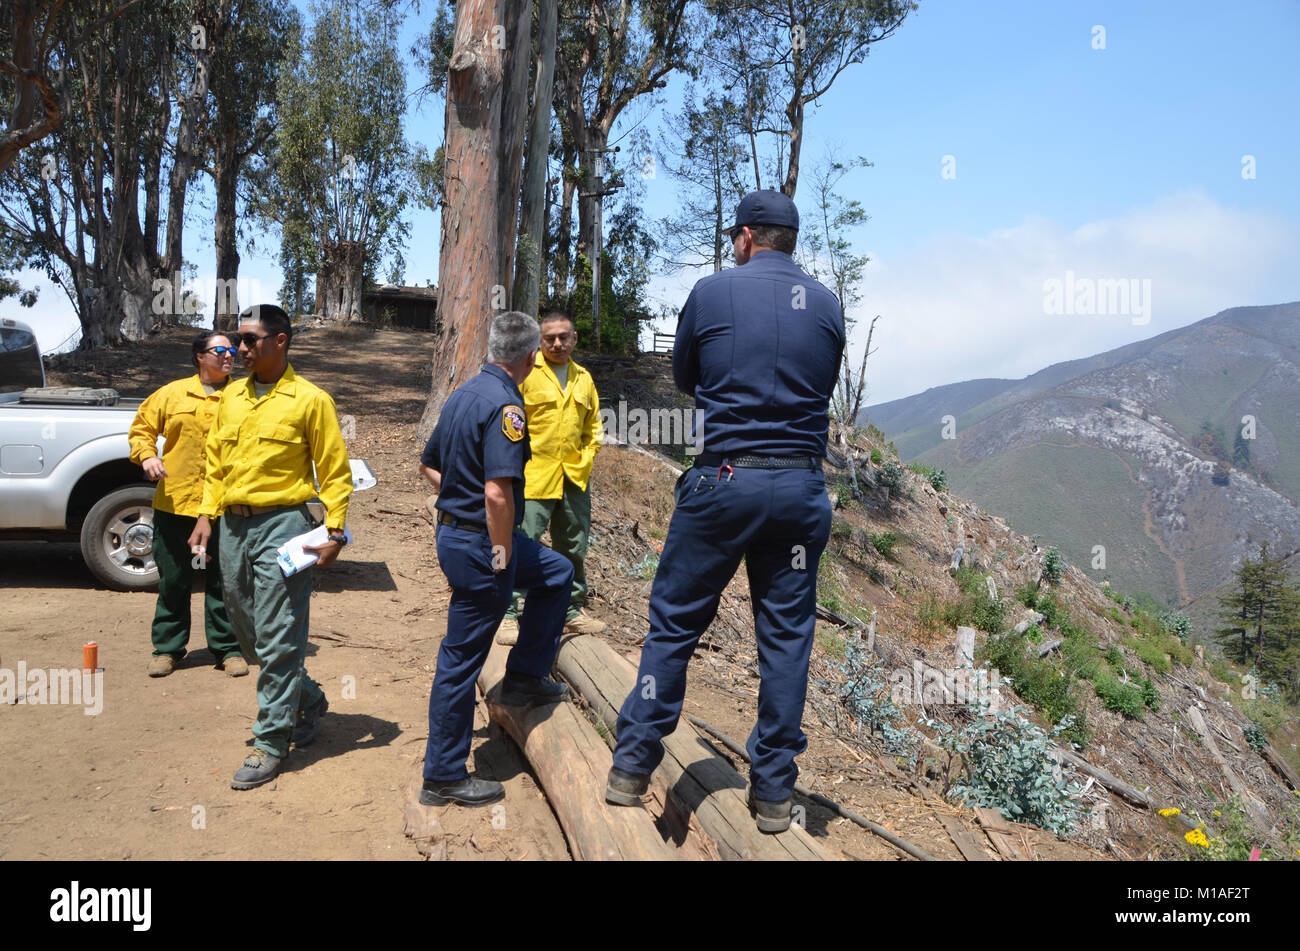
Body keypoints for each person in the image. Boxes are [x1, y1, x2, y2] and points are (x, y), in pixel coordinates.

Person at [604, 190, 845, 833]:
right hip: (798, 489)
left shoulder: (711, 295)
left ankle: (631, 768)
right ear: (789, 240)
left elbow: (687, 377)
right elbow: (820, 385)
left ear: (744, 238)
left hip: (723, 482)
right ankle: (771, 796)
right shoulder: (825, 305)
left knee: (675, 625)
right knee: (787, 640)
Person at [189, 304, 353, 790]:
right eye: (238, 340)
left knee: (279, 635)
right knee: (246, 631)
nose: (239, 349)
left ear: (280, 341)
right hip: (234, 529)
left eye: (249, 340)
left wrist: (336, 532)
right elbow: (216, 464)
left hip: (285, 527)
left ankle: (271, 741)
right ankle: (308, 697)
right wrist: (205, 515)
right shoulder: (232, 398)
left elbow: (335, 471)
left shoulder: (310, 401)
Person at [418, 310, 575, 807]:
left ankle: (525, 677)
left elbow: (428, 464)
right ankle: (443, 774)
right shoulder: (508, 406)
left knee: (557, 572)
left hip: (461, 536)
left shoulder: (463, 393)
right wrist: (502, 551)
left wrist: (464, 505)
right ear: (530, 356)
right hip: (485, 545)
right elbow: (497, 495)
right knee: (461, 658)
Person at [128, 331, 246, 678]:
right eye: (220, 350)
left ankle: (228, 649)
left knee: (224, 581)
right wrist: (147, 456)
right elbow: (141, 430)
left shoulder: (242, 396)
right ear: (200, 356)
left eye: (232, 351)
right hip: (175, 502)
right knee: (174, 579)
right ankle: (167, 649)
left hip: (225, 506)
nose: (229, 356)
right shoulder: (172, 393)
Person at [499, 309, 605, 644]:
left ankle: (571, 611)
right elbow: (511, 424)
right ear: (539, 341)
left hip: (573, 479)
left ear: (574, 339)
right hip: (534, 477)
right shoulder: (527, 375)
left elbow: (594, 428)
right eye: (550, 338)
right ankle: (508, 611)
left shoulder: (583, 378)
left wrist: (586, 460)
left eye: (564, 337)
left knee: (573, 545)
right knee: (522, 542)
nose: (557, 343)